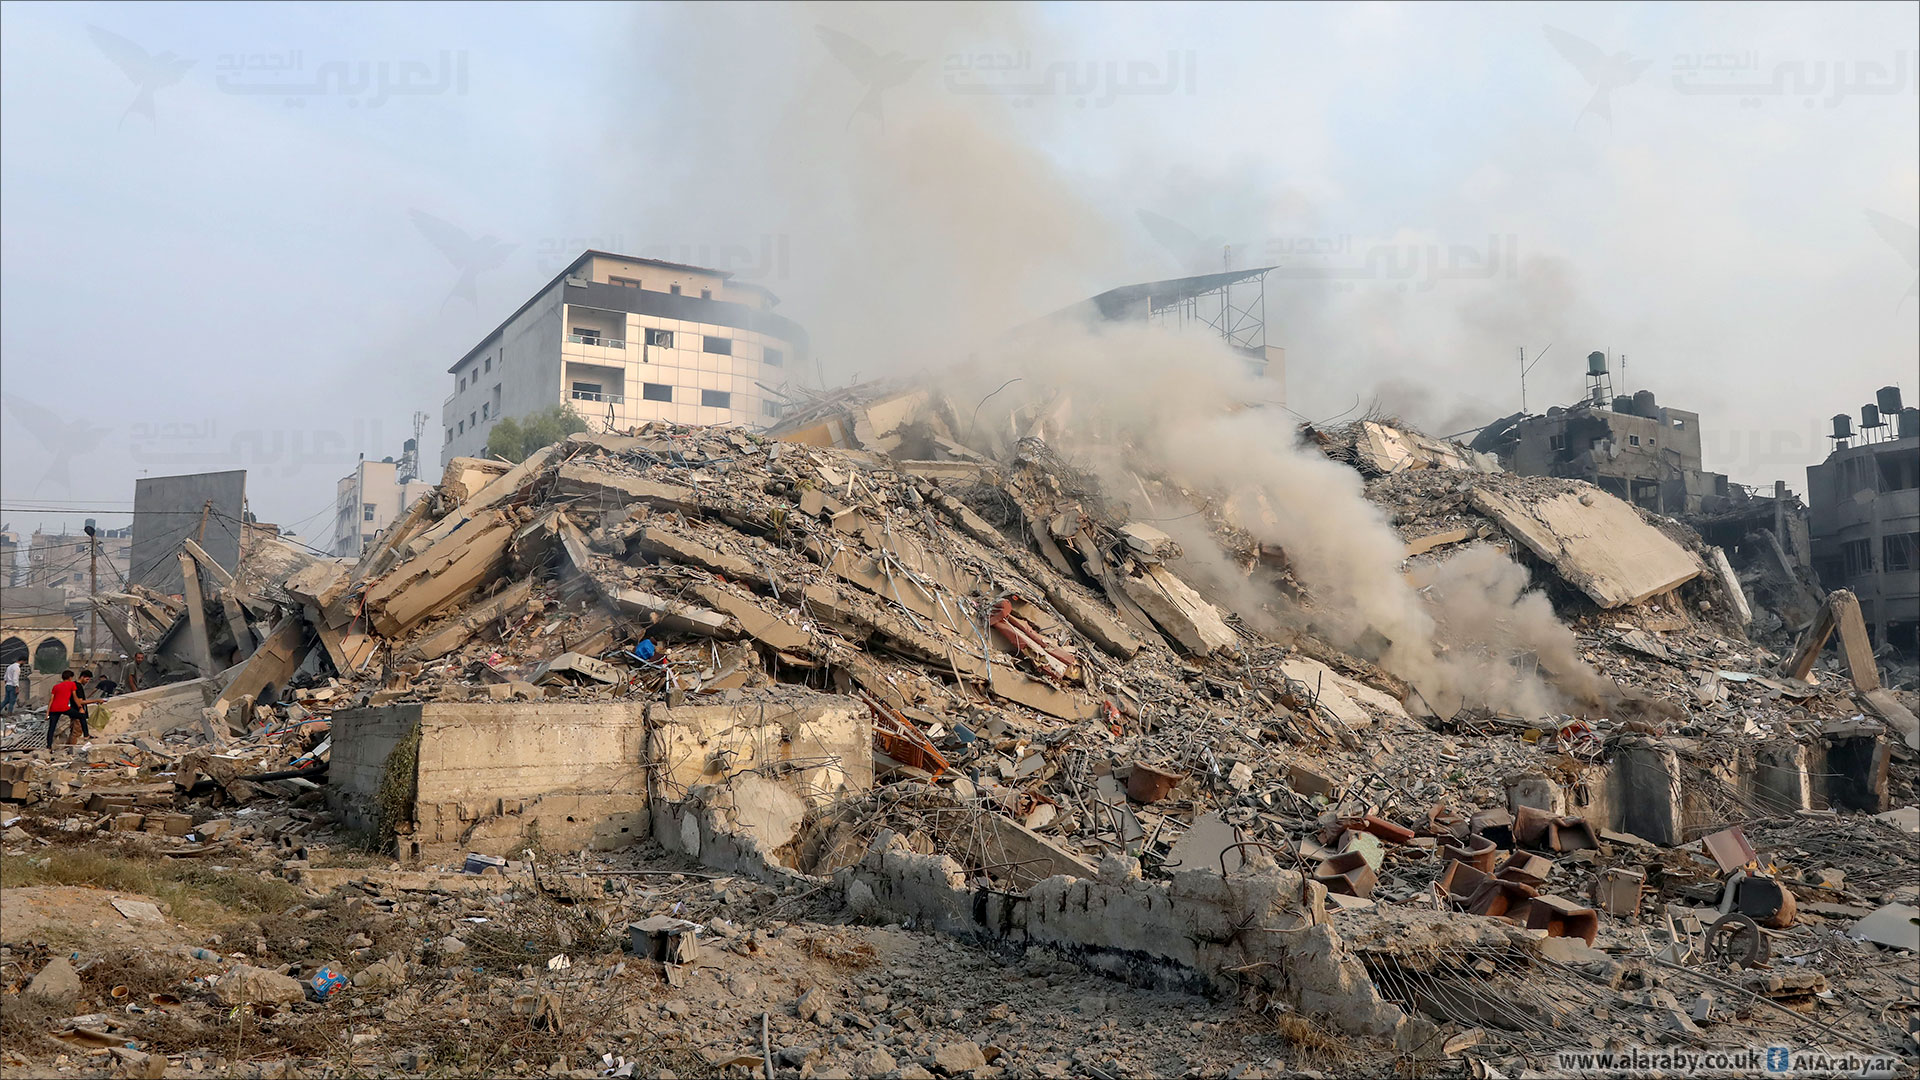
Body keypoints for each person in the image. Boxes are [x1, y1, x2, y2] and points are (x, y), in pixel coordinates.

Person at [46, 670, 79, 749]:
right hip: (64, 708)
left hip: (53, 709)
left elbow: (51, 700)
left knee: (51, 728)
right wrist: (80, 707)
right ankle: (86, 735)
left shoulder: (56, 686)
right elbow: (75, 698)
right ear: (70, 678)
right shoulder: (72, 684)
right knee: (81, 716)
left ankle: (49, 745)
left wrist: (47, 713)